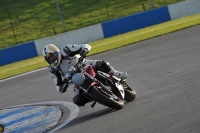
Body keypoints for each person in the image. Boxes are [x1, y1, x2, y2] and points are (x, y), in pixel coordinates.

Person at [42, 44, 127, 106]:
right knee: (77, 100)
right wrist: (63, 86)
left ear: (56, 52)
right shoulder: (53, 70)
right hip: (77, 80)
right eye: (49, 58)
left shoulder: (66, 50)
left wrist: (84, 51)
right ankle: (94, 96)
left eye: (52, 56)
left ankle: (117, 74)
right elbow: (58, 86)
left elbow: (86, 46)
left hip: (85, 65)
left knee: (103, 64)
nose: (51, 59)